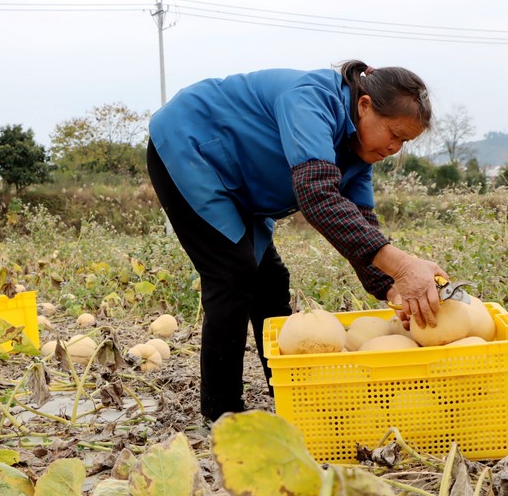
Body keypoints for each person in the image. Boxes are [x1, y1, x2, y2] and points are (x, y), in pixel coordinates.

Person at [147, 60, 448, 421]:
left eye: (405, 142)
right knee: (233, 276)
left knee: (271, 282)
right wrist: (403, 265)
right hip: (190, 147)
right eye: (394, 134)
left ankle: (291, 393)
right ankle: (222, 413)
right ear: (365, 106)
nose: (395, 148)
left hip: (238, 184)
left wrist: (392, 287)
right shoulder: (311, 99)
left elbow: (360, 225)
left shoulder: (357, 157)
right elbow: (317, 196)